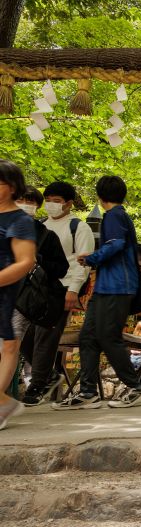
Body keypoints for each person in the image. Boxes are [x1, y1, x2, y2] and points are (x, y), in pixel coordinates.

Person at [54, 175, 141, 409]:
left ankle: (135, 387)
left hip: (118, 286)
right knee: (88, 336)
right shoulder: (117, 215)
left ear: (100, 195)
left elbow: (115, 245)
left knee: (107, 336)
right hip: (106, 287)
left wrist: (91, 258)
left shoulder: (115, 216)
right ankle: (87, 392)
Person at [19, 181, 95, 407]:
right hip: (37, 288)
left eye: (57, 201)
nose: (52, 204)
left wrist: (73, 290)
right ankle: (51, 375)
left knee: (46, 335)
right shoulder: (40, 225)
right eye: (49, 200)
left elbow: (84, 262)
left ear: (69, 204)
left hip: (63, 288)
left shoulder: (79, 228)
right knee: (24, 336)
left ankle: (38, 385)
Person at [0, 161, 37, 430]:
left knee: (9, 345)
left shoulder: (20, 221)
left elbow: (25, 262)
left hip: (6, 290)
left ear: (11, 187)